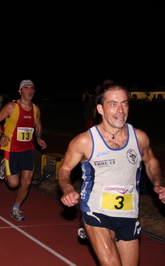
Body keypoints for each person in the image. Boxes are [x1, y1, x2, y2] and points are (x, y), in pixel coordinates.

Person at [58, 83, 165, 266]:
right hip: (96, 211)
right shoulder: (85, 141)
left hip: (129, 213)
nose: (121, 110)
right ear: (100, 108)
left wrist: (157, 183)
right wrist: (67, 188)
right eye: (113, 104)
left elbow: (151, 161)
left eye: (124, 103)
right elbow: (64, 169)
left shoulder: (139, 138)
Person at [0, 80, 47, 221]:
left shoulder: (36, 110)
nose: (29, 90)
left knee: (27, 181)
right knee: (13, 184)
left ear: (34, 91)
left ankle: (15, 209)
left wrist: (39, 138)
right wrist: (1, 135)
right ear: (20, 91)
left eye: (31, 88)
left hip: (28, 149)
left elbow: (38, 126)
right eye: (26, 88)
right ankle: (5, 167)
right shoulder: (12, 107)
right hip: (11, 149)